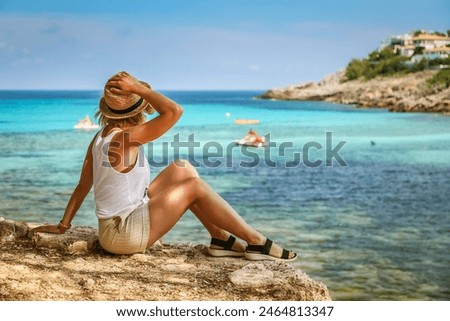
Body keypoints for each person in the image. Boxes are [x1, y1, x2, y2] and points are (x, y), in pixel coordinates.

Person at [32, 71, 297, 262]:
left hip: (117, 225)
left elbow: (82, 186)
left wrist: (63, 225)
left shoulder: (101, 135)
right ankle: (257, 242)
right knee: (193, 187)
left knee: (182, 168)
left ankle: (219, 238)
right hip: (123, 235)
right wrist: (140, 89)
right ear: (138, 110)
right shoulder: (127, 138)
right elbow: (174, 112)